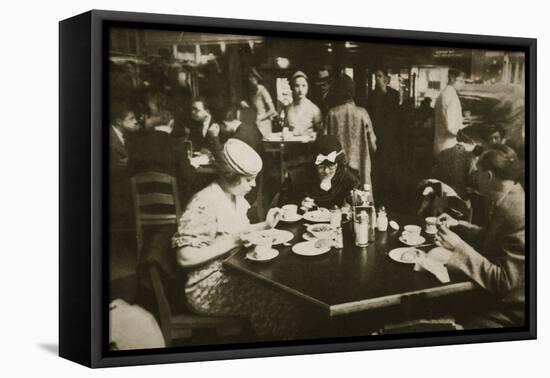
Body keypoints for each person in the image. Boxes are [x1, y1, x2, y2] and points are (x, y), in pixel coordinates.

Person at [172, 139, 318, 339]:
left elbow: (237, 231)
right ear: (231, 176)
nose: (254, 185)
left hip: (232, 273)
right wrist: (234, 241)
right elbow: (184, 257)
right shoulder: (205, 201)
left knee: (288, 292)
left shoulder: (232, 197)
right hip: (206, 287)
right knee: (279, 303)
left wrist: (265, 225)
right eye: (249, 179)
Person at [436, 144, 525, 328]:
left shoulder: (516, 214)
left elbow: (503, 281)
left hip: (513, 310)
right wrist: (458, 226)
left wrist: (459, 246)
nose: (474, 176)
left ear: (488, 176)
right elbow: (491, 237)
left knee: (444, 315)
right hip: (502, 298)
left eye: (477, 171)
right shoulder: (511, 197)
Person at [127, 108, 201, 206]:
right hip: (173, 206)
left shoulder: (136, 144)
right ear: (171, 122)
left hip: (143, 206)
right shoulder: (177, 145)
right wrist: (192, 167)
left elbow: (130, 172)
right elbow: (188, 177)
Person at [325, 74, 377, 187]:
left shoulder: (332, 114)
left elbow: (325, 145)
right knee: (361, 201)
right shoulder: (363, 113)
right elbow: (373, 146)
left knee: (338, 201)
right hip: (360, 168)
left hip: (338, 169)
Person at [280, 135, 359, 210]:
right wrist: (299, 203)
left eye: (331, 166)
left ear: (338, 163)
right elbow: (282, 201)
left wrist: (350, 205)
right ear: (314, 164)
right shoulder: (298, 176)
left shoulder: (348, 177)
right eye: (321, 166)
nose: (326, 171)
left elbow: (357, 204)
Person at [366, 68, 401, 205]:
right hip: (376, 136)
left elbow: (394, 116)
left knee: (388, 167)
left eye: (380, 76)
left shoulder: (393, 94)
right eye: (376, 76)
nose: (377, 79)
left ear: (386, 79)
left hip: (390, 137)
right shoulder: (372, 95)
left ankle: (389, 197)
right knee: (377, 167)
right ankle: (379, 195)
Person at [434, 69, 466, 156]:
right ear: (452, 78)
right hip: (448, 147)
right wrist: (466, 131)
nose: (463, 84)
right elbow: (451, 128)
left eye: (464, 81)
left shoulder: (444, 93)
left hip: (441, 144)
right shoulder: (451, 95)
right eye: (461, 81)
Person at [241, 68, 277, 139]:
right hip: (256, 125)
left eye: (254, 77)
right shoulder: (252, 93)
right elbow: (256, 108)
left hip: (264, 125)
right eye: (250, 78)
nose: (252, 79)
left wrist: (260, 118)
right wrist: (245, 105)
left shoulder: (263, 91)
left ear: (257, 79)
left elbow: (273, 110)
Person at [285, 71, 323, 135]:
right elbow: (286, 129)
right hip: (291, 144)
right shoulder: (288, 108)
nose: (300, 90)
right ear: (292, 88)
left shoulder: (314, 109)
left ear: (307, 87)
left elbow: (320, 132)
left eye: (303, 86)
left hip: (309, 144)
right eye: (297, 86)